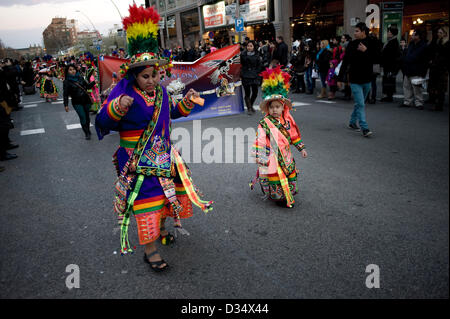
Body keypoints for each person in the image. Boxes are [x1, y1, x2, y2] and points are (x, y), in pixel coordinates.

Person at [95, 4, 212, 272]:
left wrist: (187, 103)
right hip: (137, 159)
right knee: (146, 200)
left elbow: (170, 113)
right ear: (135, 76)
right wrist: (117, 106)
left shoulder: (160, 93)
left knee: (164, 196)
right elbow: (101, 121)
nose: (151, 80)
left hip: (163, 156)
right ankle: (150, 250)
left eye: (155, 75)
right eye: (145, 76)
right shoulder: (124, 94)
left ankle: (159, 232)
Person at [250, 65, 307, 208]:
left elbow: (293, 136)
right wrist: (260, 155)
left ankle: (288, 192)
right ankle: (280, 198)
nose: (274, 109)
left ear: (283, 107)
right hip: (272, 156)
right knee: (275, 175)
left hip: (286, 155)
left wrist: (301, 149)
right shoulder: (264, 123)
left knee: (289, 173)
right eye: (271, 107)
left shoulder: (287, 121)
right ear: (268, 109)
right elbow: (261, 140)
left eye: (277, 106)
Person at [338, 22, 376, 137]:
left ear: (363, 32)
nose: (354, 33)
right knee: (360, 104)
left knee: (360, 103)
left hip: (367, 79)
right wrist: (340, 78)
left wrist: (366, 51)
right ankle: (364, 127)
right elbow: (345, 62)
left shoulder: (372, 43)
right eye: (354, 31)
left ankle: (352, 122)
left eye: (357, 31)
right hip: (354, 79)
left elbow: (377, 58)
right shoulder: (352, 44)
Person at [63, 64, 96, 140]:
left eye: (73, 69)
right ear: (67, 71)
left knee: (87, 117)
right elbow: (65, 94)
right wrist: (66, 105)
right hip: (77, 102)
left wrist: (94, 82)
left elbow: (87, 86)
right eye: (70, 70)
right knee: (82, 117)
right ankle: (86, 133)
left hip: (86, 100)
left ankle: (88, 129)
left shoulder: (80, 77)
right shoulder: (66, 82)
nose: (73, 71)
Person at [399, 29, 429, 110]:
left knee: (417, 88)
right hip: (408, 69)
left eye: (414, 35)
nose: (412, 36)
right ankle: (407, 101)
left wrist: (423, 72)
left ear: (418, 36)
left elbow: (422, 59)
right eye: (412, 35)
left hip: (417, 69)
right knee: (407, 86)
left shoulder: (423, 45)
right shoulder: (411, 44)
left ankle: (419, 102)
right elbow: (407, 55)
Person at [427, 27, 449, 111]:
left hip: (442, 68)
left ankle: (439, 105)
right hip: (436, 66)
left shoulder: (447, 43)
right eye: (438, 32)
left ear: (445, 33)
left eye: (440, 32)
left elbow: (445, 56)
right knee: (435, 86)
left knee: (441, 88)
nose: (438, 34)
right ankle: (436, 102)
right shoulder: (438, 41)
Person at [240, 40, 262, 114]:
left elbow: (259, 65)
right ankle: (249, 108)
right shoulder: (243, 54)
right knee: (247, 93)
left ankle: (251, 105)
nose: (249, 47)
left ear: (254, 47)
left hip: (254, 75)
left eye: (251, 46)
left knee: (255, 92)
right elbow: (241, 64)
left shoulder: (257, 54)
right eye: (248, 46)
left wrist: (257, 73)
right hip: (246, 75)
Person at [380, 26, 401, 102]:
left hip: (390, 65)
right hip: (387, 64)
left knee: (389, 80)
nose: (388, 33)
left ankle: (389, 96)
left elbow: (393, 56)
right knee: (387, 80)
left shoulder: (394, 42)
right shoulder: (389, 41)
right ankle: (387, 95)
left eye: (389, 32)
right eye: (388, 31)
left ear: (393, 33)